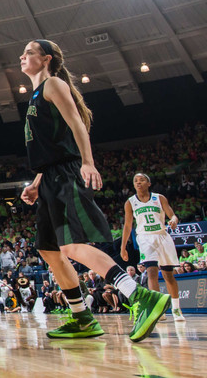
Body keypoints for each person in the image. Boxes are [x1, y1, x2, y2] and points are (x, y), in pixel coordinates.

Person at [18, 40, 170, 340]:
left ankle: (140, 295)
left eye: (29, 52)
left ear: (46, 59)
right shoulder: (37, 94)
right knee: (49, 251)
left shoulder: (53, 85)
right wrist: (36, 183)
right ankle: (82, 317)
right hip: (50, 178)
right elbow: (52, 145)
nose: (22, 57)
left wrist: (88, 162)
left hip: (65, 175)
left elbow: (77, 124)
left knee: (71, 246)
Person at [121, 172, 184, 321]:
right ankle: (158, 309)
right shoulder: (130, 202)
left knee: (168, 275)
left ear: (148, 183)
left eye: (142, 180)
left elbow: (172, 215)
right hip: (144, 237)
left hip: (162, 236)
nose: (138, 182)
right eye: (136, 180)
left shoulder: (159, 198)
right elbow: (128, 226)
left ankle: (176, 309)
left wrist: (173, 220)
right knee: (151, 271)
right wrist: (123, 247)